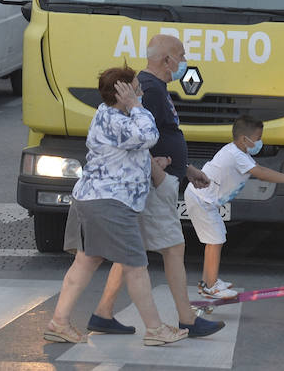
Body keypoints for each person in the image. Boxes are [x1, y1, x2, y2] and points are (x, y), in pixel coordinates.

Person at [85, 35, 226, 338]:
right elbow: (135, 137)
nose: (184, 61)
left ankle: (103, 313)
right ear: (167, 60)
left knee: (131, 252)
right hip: (154, 183)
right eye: (182, 55)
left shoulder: (155, 88)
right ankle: (187, 318)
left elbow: (158, 135)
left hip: (159, 178)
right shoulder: (148, 89)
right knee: (173, 248)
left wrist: (185, 169)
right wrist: (159, 175)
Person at [43, 66, 188, 346]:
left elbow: (129, 151)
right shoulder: (119, 118)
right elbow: (149, 136)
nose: (142, 92)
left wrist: (150, 164)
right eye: (136, 88)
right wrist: (135, 105)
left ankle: (58, 323)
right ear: (123, 93)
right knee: (136, 266)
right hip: (112, 204)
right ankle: (156, 330)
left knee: (86, 261)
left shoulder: (109, 115)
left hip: (92, 200)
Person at [183, 115, 284, 299]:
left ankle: (208, 282)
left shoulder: (239, 153)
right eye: (257, 139)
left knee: (216, 239)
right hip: (201, 200)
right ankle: (211, 286)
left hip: (202, 199)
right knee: (216, 240)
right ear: (244, 139)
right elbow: (262, 173)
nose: (260, 143)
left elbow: (261, 168)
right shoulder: (237, 156)